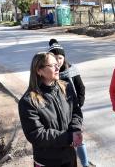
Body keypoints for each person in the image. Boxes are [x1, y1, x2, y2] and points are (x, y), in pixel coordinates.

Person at [18, 52, 83, 167]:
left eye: (57, 63)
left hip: (69, 157)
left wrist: (75, 130)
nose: (58, 66)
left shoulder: (66, 87)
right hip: (47, 161)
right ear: (39, 71)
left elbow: (76, 112)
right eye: (52, 65)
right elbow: (36, 134)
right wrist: (68, 137)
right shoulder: (28, 101)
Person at [48, 39, 90, 167]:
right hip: (57, 114)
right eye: (55, 58)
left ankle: (85, 164)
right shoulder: (50, 74)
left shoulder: (71, 69)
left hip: (72, 110)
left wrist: (78, 105)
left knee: (78, 138)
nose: (58, 61)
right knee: (64, 138)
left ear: (64, 58)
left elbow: (81, 88)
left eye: (60, 57)